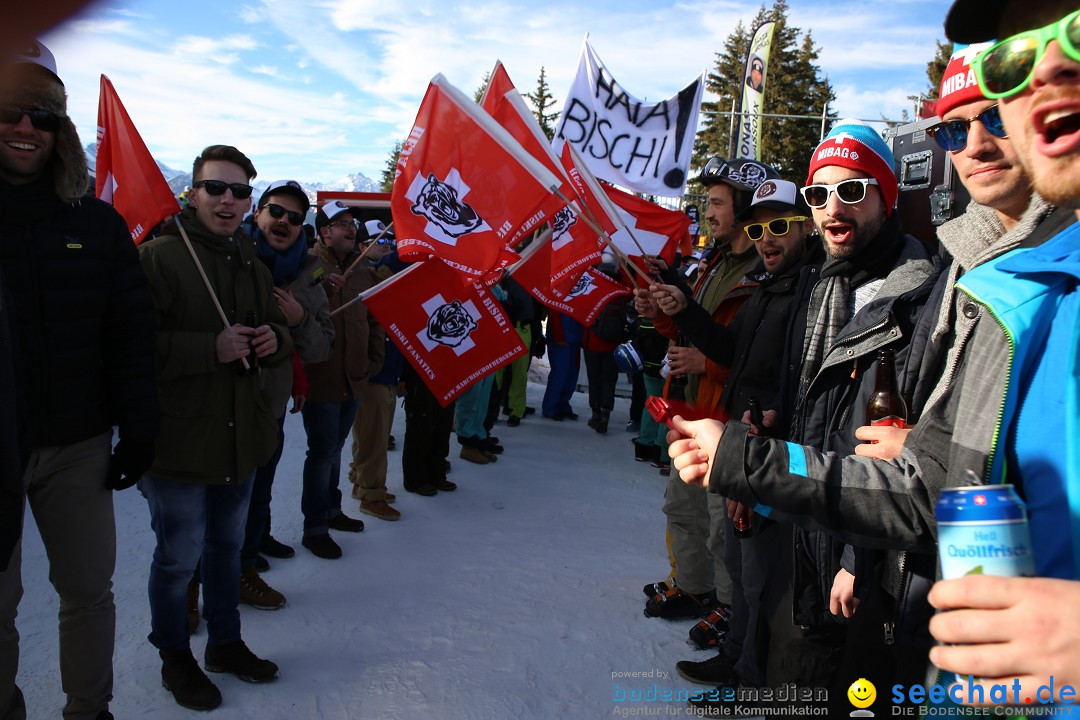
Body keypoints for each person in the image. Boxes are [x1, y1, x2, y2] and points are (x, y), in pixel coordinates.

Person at [669, 8, 1080, 700]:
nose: (978, 142)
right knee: (784, 657)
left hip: (879, 561)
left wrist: (863, 557)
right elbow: (932, 472)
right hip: (855, 543)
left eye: (852, 190)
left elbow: (921, 469)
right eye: (955, 128)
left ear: (887, 197)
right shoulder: (959, 281)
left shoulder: (932, 289)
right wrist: (759, 443)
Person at [0, 41, 158, 720]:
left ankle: (88, 711)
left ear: (60, 128)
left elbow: (128, 335)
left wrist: (140, 426)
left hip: (77, 445)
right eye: (9, 111)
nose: (24, 127)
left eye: (41, 114)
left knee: (88, 592)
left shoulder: (95, 223)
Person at [647, 179, 823, 687]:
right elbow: (728, 349)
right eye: (759, 228)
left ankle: (750, 675)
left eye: (780, 226)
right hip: (742, 445)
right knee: (742, 564)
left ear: (804, 226)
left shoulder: (811, 290)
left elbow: (799, 382)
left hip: (771, 454)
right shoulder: (769, 287)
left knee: (760, 574)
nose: (767, 238)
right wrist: (683, 305)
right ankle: (738, 660)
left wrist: (765, 432)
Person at [138, 145, 291, 711]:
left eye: (239, 192)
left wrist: (277, 340)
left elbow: (276, 329)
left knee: (227, 551)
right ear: (193, 193)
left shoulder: (250, 261)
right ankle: (174, 655)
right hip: (178, 444)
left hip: (238, 441)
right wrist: (210, 348)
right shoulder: (158, 258)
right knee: (178, 558)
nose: (228, 200)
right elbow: (129, 351)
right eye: (215, 188)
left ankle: (226, 644)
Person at [636, 157, 775, 623]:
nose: (708, 212)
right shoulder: (714, 262)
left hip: (728, 420)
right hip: (692, 411)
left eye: (716, 203)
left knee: (723, 525)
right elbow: (689, 329)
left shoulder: (764, 268)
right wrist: (658, 308)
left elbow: (756, 355)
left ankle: (732, 608)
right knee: (683, 508)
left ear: (744, 206)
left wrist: (706, 362)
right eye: (708, 202)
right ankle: (694, 587)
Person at [237, 180, 333, 607]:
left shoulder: (307, 274)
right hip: (221, 400)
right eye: (276, 212)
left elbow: (320, 346)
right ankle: (199, 580)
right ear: (257, 214)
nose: (284, 222)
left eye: (295, 218)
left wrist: (298, 319)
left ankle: (251, 550)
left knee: (261, 482)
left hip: (270, 402)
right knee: (215, 496)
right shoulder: (230, 257)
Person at [299, 201, 383, 559]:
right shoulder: (306, 265)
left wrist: (373, 359)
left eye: (352, 223)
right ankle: (314, 526)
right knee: (321, 454)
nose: (350, 228)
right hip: (323, 379)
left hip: (355, 377)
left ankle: (332, 509)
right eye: (340, 223)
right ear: (324, 231)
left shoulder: (363, 268)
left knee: (334, 450)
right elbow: (298, 317)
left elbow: (374, 316)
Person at [347, 219, 403, 521]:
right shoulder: (363, 277)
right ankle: (372, 493)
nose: (388, 247)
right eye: (381, 242)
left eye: (392, 242)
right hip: (374, 371)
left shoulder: (380, 275)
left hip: (387, 368)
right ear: (362, 247)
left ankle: (361, 479)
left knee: (372, 434)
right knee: (373, 437)